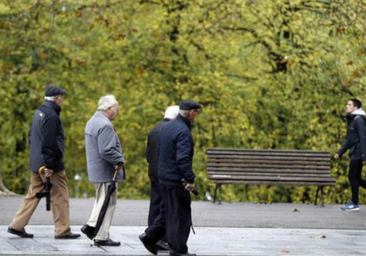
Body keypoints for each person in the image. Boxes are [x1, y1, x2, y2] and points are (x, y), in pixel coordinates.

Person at [8, 85, 80, 239]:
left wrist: (38, 160)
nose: (63, 100)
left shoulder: (39, 112)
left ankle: (17, 225)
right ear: (56, 98)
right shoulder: (52, 116)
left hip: (37, 162)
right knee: (60, 195)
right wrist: (49, 165)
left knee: (33, 194)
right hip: (49, 165)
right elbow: (49, 142)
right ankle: (62, 230)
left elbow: (31, 136)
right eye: (62, 97)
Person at [139, 99, 201, 256]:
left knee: (167, 212)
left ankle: (150, 236)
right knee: (180, 215)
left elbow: (159, 153)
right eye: (197, 113)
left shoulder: (167, 127)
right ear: (192, 113)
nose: (196, 116)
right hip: (175, 180)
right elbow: (183, 159)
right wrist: (190, 179)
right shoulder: (183, 132)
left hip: (163, 178)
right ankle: (178, 250)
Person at [81, 95, 125, 246]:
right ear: (109, 109)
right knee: (108, 202)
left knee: (102, 200)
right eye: (116, 109)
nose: (118, 112)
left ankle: (93, 227)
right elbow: (106, 150)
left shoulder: (93, 121)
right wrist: (119, 160)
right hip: (105, 171)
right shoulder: (105, 125)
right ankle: (100, 234)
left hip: (96, 170)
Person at [145, 106, 179, 251]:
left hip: (153, 172)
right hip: (165, 174)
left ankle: (151, 235)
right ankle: (160, 238)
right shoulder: (171, 131)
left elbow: (148, 153)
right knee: (166, 207)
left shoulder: (154, 129)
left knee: (155, 205)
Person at [335, 98, 366, 211]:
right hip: (355, 152)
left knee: (353, 177)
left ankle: (354, 203)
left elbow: (363, 138)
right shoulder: (353, 120)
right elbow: (349, 140)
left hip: (358, 153)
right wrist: (340, 152)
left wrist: (364, 156)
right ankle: (354, 203)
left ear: (355, 107)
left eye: (349, 104)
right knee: (356, 178)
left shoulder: (359, 120)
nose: (346, 106)